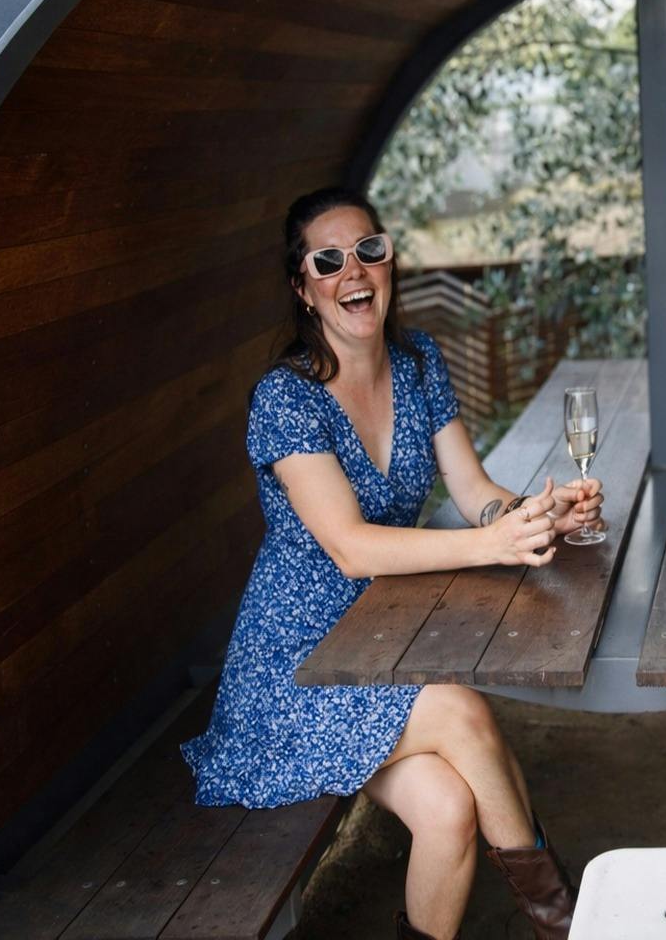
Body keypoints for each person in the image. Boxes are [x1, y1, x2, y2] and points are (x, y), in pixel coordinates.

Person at [183, 187, 602, 940]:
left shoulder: (418, 362)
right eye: (329, 259)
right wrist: (488, 547)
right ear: (303, 286)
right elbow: (350, 545)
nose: (355, 271)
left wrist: (537, 518)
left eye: (369, 250)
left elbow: (474, 492)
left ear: (390, 260)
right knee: (462, 709)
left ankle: (560, 920)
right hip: (297, 669)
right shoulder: (285, 400)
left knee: (448, 809)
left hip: (380, 641)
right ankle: (565, 925)